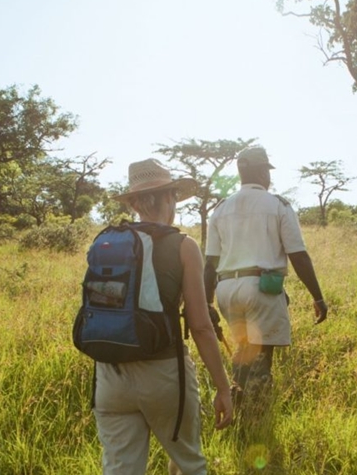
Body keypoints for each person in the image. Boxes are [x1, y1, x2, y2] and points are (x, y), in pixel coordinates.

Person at [94, 158, 234, 475]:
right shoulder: (183, 246)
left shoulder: (106, 241)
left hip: (110, 374)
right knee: (188, 464)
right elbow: (200, 326)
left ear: (133, 203)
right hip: (165, 372)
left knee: (120, 470)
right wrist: (223, 388)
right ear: (170, 197)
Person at [204, 146, 328, 423]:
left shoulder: (221, 208)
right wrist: (318, 297)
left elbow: (210, 262)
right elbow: (298, 254)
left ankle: (234, 404)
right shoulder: (277, 205)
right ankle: (255, 420)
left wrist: (206, 303)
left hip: (226, 289)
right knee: (260, 359)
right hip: (261, 288)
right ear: (262, 171)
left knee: (243, 349)